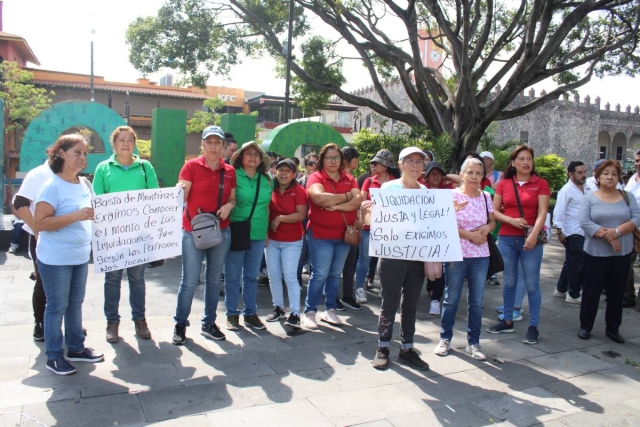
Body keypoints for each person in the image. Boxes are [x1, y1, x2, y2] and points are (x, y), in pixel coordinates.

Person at [34, 134, 104, 375]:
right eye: (77, 152)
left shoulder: (84, 183)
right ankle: (53, 356)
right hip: (56, 259)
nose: (82, 157)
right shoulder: (52, 186)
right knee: (56, 306)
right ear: (61, 153)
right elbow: (40, 223)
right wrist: (76, 216)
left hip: (79, 256)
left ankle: (76, 347)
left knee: (75, 304)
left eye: (85, 153)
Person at [92, 126, 160, 343]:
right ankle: (112, 322)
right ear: (114, 144)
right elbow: (97, 200)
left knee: (137, 279)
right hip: (113, 236)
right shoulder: (103, 168)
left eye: (129, 140)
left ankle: (140, 319)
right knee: (112, 280)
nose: (125, 144)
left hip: (139, 234)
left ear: (134, 143)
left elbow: (155, 196)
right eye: (121, 140)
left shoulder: (144, 166)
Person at [173, 125, 236, 345]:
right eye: (209, 142)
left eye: (217, 142)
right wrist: (178, 190)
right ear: (202, 144)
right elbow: (181, 196)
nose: (213, 146)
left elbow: (233, 198)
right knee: (189, 281)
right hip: (193, 231)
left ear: (223, 146)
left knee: (213, 280)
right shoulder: (190, 167)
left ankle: (209, 322)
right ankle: (180, 324)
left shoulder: (229, 171)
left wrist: (229, 205)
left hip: (221, 231)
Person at [369, 147, 430, 371]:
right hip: (392, 254)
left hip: (416, 255)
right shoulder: (389, 187)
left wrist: (449, 210)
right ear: (401, 164)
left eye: (419, 162)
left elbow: (429, 222)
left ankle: (407, 348)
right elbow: (379, 218)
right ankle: (383, 347)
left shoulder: (425, 191)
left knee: (411, 304)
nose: (415, 165)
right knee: (389, 303)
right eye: (411, 161)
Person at [487, 145, 550, 345]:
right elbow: (494, 212)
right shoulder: (504, 184)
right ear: (513, 162)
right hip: (506, 238)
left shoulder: (540, 184)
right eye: (521, 159)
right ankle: (507, 320)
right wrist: (511, 221)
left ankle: (533, 326)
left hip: (530, 240)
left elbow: (542, 213)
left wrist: (533, 236)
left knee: (531, 284)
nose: (526, 162)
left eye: (529, 158)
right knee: (509, 282)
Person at [434, 157, 495, 360]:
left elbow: (492, 221)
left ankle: (474, 343)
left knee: (476, 301)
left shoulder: (486, 197)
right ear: (461, 175)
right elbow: (444, 223)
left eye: (478, 173)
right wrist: (471, 236)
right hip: (456, 254)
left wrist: (486, 229)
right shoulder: (451, 196)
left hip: (480, 256)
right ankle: (445, 338)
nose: (474, 177)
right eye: (470, 172)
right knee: (451, 298)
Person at [578, 160, 640, 343]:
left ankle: (613, 328)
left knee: (616, 292)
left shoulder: (628, 197)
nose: (609, 177)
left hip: (621, 255)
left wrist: (617, 232)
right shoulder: (589, 198)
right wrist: (609, 237)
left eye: (613, 174)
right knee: (591, 291)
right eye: (605, 173)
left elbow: (636, 219)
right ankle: (585, 326)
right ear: (597, 177)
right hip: (595, 253)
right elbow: (584, 221)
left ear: (618, 177)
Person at [302, 143, 362, 329]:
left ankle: (330, 309)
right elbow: (319, 198)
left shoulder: (349, 177)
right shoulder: (316, 177)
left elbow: (358, 200)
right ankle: (309, 311)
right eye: (329, 158)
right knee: (319, 274)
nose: (333, 161)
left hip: (344, 235)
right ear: (323, 159)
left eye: (337, 157)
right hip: (320, 235)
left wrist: (336, 206)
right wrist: (347, 196)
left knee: (335, 274)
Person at [225, 141, 273, 331]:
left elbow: (267, 206)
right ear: (241, 157)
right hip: (237, 229)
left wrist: (268, 230)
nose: (253, 157)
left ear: (261, 159)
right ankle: (231, 313)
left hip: (259, 231)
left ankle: (250, 313)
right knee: (233, 275)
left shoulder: (267, 179)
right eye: (249, 154)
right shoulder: (233, 175)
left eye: (256, 154)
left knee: (251, 276)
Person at [13, 155, 55, 340]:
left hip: (67, 239)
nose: (80, 158)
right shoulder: (38, 175)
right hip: (41, 237)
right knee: (43, 281)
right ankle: (40, 323)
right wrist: (36, 228)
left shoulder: (74, 177)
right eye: (75, 153)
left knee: (68, 284)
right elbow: (19, 203)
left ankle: (68, 322)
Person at [265, 159, 308, 328]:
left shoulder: (299, 191)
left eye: (287, 171)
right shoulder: (269, 187)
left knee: (290, 276)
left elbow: (300, 214)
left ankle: (295, 313)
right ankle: (278, 307)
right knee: (273, 275)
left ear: (294, 174)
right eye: (280, 170)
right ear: (275, 171)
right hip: (271, 239)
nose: (283, 174)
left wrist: (280, 218)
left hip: (292, 240)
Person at [358, 149, 397, 302]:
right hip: (369, 227)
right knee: (364, 258)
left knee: (386, 260)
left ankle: (385, 289)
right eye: (372, 163)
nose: (372, 165)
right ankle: (360, 288)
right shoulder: (368, 181)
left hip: (390, 228)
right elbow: (360, 203)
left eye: (376, 163)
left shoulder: (396, 182)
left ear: (385, 166)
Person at [553, 161, 589, 305]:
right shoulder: (566, 190)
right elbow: (558, 211)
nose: (583, 175)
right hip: (572, 231)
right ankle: (573, 293)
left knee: (571, 261)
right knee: (577, 263)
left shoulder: (587, 188)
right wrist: (559, 231)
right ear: (571, 174)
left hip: (584, 230)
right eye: (580, 172)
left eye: (584, 172)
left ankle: (561, 289)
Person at [421, 161, 454, 315]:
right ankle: (429, 287)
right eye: (431, 173)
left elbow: (461, 180)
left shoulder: (448, 190)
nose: (435, 176)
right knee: (422, 268)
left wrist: (445, 174)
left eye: (438, 173)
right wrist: (422, 174)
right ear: (426, 176)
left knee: (440, 270)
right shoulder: (419, 189)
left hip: (441, 237)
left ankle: (436, 300)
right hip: (421, 237)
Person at [339, 146, 363, 311]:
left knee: (347, 265)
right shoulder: (345, 177)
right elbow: (354, 201)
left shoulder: (348, 177)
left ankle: (346, 296)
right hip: (346, 225)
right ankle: (339, 297)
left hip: (350, 225)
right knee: (343, 265)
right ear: (353, 160)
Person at [297, 153, 319, 285]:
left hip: (316, 222)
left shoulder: (322, 182)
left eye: (316, 163)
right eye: (310, 163)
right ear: (305, 166)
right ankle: (297, 281)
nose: (313, 166)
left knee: (314, 256)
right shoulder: (299, 183)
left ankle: (314, 284)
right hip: (301, 222)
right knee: (301, 254)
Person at [623, 149, 640, 309]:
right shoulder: (633, 179)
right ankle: (628, 296)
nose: (638, 164)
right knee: (627, 262)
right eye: (636, 160)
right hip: (631, 228)